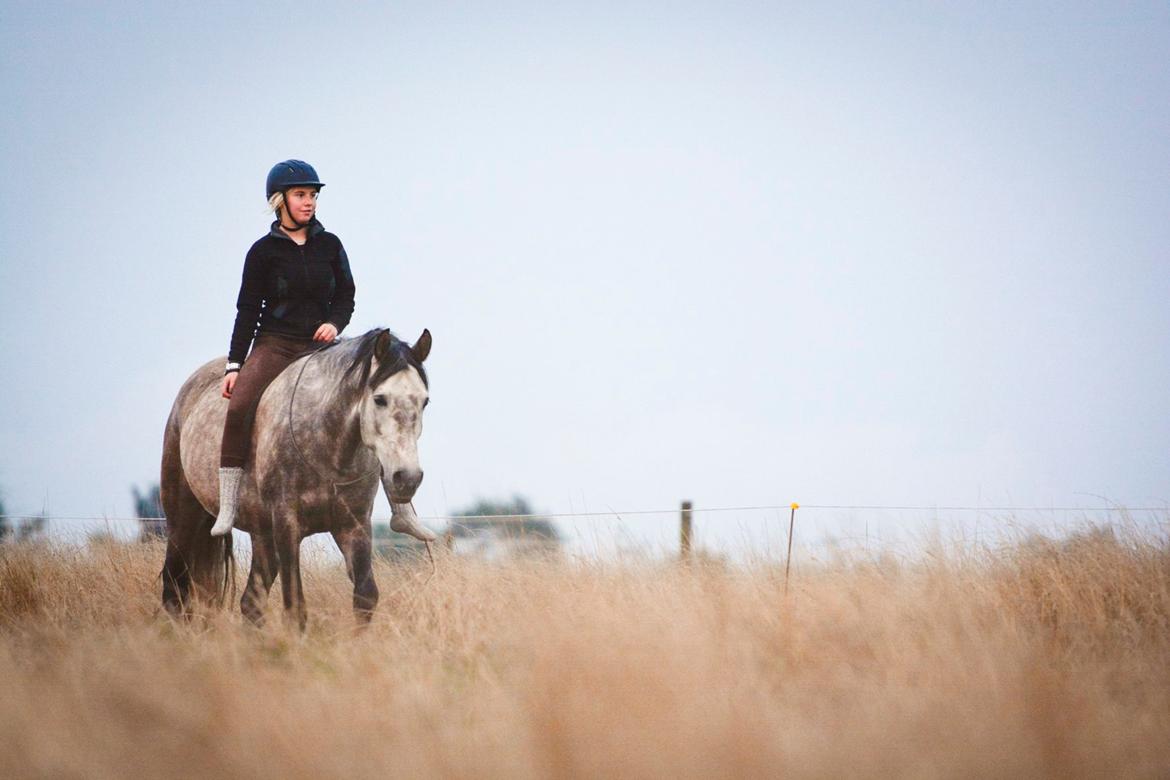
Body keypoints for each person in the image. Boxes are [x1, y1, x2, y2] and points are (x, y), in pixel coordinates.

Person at [210, 160, 356, 536]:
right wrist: (234, 364)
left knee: (372, 397)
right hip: (276, 345)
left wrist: (334, 324)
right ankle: (228, 504)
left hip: (322, 347)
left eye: (313, 195)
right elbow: (247, 310)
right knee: (239, 405)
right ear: (280, 201)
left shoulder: (331, 245)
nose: (309, 202)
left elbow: (346, 295)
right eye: (300, 195)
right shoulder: (261, 253)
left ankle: (402, 507)